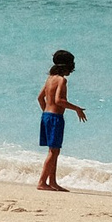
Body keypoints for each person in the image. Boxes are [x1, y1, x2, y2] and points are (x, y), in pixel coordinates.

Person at [36, 49, 87, 192]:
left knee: (54, 150)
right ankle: (42, 182)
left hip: (46, 115)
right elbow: (59, 100)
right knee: (54, 152)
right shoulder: (61, 80)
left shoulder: (50, 79)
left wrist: (46, 113)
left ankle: (52, 182)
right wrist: (76, 108)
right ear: (66, 66)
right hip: (55, 118)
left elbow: (40, 98)